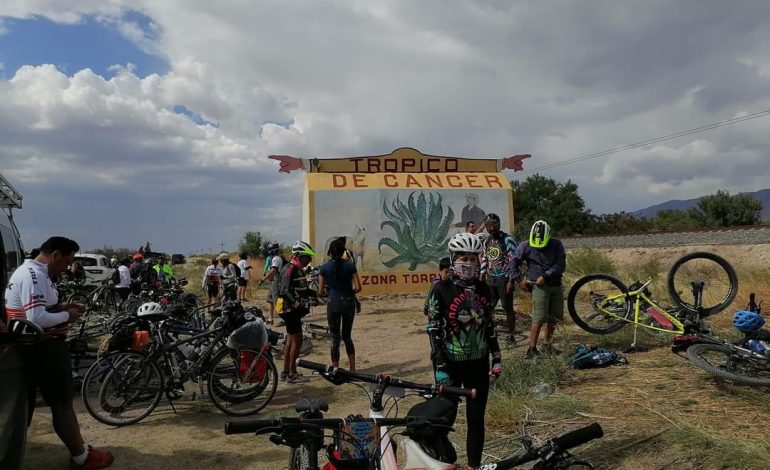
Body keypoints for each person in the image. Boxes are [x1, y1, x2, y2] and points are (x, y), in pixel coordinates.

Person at [5, 236, 114, 469]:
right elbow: (36, 318)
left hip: (38, 347)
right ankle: (81, 457)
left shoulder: (37, 273)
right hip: (42, 349)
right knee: (62, 403)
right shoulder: (33, 276)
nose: (67, 268)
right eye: (66, 262)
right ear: (54, 255)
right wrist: (68, 316)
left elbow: (39, 309)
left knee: (38, 405)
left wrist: (60, 307)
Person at [424, 232, 501, 468]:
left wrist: (496, 357)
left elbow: (489, 326)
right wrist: (440, 365)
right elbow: (433, 330)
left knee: (476, 420)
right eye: (462, 258)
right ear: (452, 259)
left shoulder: (484, 290)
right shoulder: (440, 290)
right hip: (450, 364)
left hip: (478, 364)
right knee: (445, 418)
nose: (468, 263)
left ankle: (475, 466)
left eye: (472, 258)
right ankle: (444, 463)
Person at [512, 220, 566, 359]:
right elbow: (513, 264)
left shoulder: (557, 245)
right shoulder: (524, 245)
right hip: (538, 287)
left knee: (554, 318)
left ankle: (547, 345)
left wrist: (546, 275)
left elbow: (560, 265)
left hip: (555, 285)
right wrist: (519, 280)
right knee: (539, 317)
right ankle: (531, 349)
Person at [318, 238, 362, 371]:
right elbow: (358, 287)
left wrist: (329, 293)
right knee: (347, 336)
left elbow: (320, 292)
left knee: (335, 338)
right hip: (348, 303)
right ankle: (353, 368)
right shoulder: (350, 265)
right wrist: (349, 292)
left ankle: (335, 368)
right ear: (343, 252)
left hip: (333, 304)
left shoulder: (324, 268)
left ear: (330, 252)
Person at [277, 241, 316, 383]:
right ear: (299, 256)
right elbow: (284, 290)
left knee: (290, 340)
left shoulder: (298, 269)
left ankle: (285, 372)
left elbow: (303, 289)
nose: (310, 260)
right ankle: (292, 374)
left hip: (291, 310)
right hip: (289, 310)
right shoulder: (290, 268)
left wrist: (315, 294)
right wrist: (295, 302)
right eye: (307, 257)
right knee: (297, 341)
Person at [479, 213, 518, 346]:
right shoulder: (487, 241)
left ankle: (511, 336)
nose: (491, 228)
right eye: (488, 225)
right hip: (491, 279)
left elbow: (513, 260)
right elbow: (484, 258)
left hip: (504, 279)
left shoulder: (507, 239)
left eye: (493, 225)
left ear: (498, 224)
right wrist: (482, 275)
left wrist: (511, 280)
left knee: (508, 308)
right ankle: (489, 332)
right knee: (489, 307)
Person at [259, 243, 283, 324]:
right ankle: (270, 319)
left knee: (277, 301)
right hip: (273, 281)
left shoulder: (276, 258)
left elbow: (273, 271)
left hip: (276, 281)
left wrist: (263, 279)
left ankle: (283, 319)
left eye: (270, 250)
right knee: (270, 299)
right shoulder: (274, 258)